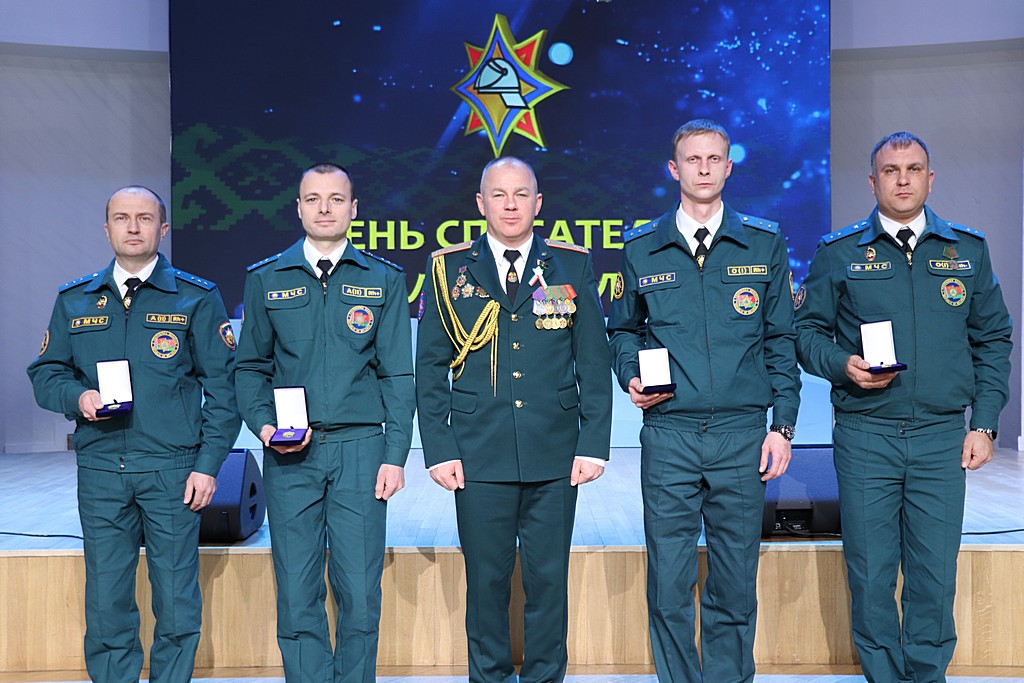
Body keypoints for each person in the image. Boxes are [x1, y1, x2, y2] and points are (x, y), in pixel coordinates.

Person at [794, 131, 1012, 682]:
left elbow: (993, 339)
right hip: (866, 435)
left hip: (942, 437)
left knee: (934, 573)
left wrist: (985, 423)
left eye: (913, 169)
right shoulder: (839, 252)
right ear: (873, 182)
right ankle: (883, 676)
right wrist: (843, 364)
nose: (903, 179)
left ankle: (927, 674)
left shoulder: (967, 251)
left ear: (930, 179)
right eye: (891, 171)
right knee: (870, 572)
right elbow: (806, 333)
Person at [607, 119, 800, 682]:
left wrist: (783, 427)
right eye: (693, 159)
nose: (704, 168)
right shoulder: (641, 246)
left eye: (715, 159)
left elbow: (781, 339)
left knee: (735, 583)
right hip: (669, 435)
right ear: (674, 169)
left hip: (742, 436)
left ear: (729, 167)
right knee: (669, 583)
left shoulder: (763, 242)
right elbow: (623, 330)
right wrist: (630, 376)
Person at [27, 186, 240, 682]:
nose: (133, 227)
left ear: (163, 229)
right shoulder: (74, 300)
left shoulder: (196, 297)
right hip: (101, 469)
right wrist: (77, 397)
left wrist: (208, 466)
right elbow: (46, 373)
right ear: (107, 229)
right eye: (122, 218)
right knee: (107, 599)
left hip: (173, 471)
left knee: (176, 599)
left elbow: (224, 391)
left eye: (145, 218)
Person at [415, 156, 612, 683]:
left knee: (549, 583)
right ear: (480, 203)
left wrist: (593, 443)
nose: (510, 205)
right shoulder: (448, 269)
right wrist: (439, 449)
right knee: (486, 585)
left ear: (538, 203)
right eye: (498, 195)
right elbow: (430, 368)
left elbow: (593, 361)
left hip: (555, 452)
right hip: (477, 452)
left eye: (521, 194)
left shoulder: (570, 265)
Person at [234, 163, 414, 683]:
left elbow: (397, 375)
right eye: (313, 199)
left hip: (361, 450)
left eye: (336, 199)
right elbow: (250, 368)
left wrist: (395, 455)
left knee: (359, 588)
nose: (325, 208)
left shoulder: (383, 279)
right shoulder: (266, 278)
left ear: (354, 209)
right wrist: (265, 428)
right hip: (290, 454)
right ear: (298, 208)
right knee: (297, 588)